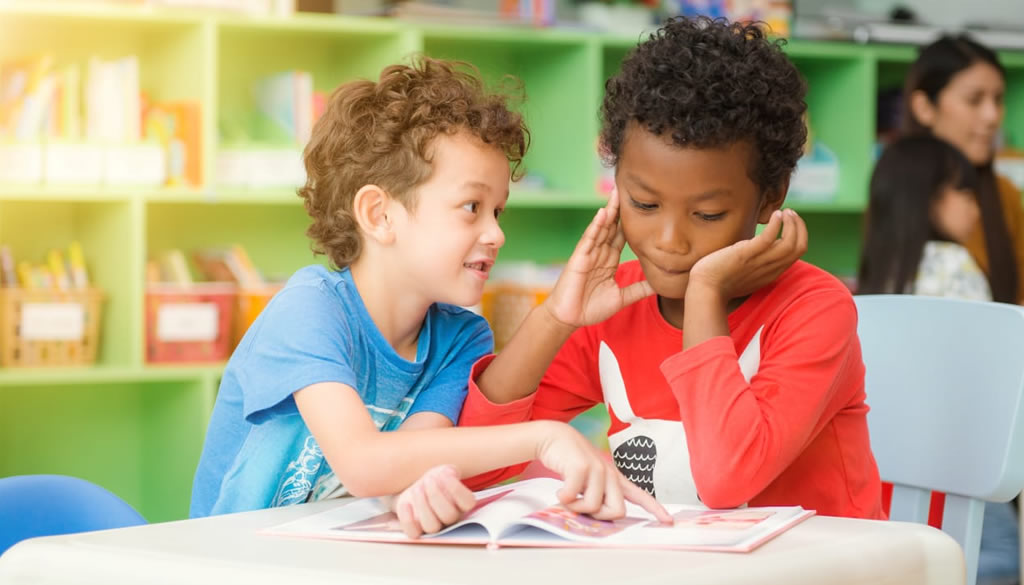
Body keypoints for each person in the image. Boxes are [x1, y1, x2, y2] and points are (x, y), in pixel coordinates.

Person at [189, 56, 669, 536]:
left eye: (498, 212)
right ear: (379, 215)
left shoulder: (461, 337)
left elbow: (409, 461)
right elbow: (363, 463)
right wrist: (546, 438)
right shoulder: (311, 309)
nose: (496, 234)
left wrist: (416, 490)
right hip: (231, 557)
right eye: (471, 207)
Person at [452, 16, 884, 519]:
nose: (669, 241)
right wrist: (558, 318)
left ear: (771, 198)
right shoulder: (617, 303)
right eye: (644, 203)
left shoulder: (814, 310)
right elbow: (477, 465)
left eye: (707, 215)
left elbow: (725, 479)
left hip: (821, 565)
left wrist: (705, 294)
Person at [902, 34, 1024, 305]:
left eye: (998, 100)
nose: (992, 116)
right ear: (924, 107)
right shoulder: (898, 191)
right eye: (974, 100)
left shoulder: (1007, 196)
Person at [858, 134, 991, 300]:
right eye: (967, 196)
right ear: (930, 198)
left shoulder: (882, 266)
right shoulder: (954, 263)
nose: (976, 211)